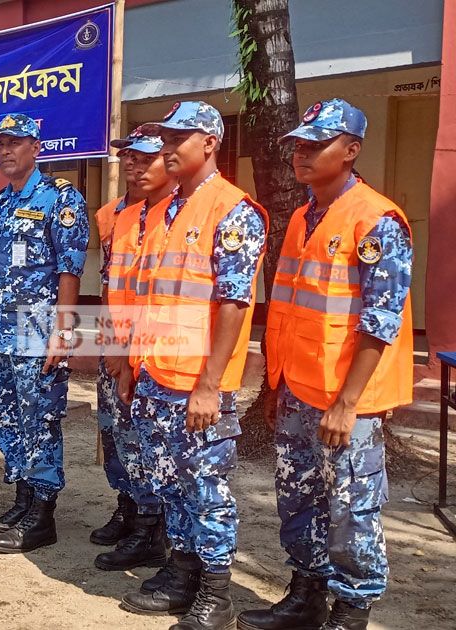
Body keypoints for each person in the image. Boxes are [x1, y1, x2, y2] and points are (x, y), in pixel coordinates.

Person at [238, 99, 412, 630]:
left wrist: (348, 403)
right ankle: (306, 594)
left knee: (350, 507)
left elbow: (379, 323)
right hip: (296, 389)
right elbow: (290, 311)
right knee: (297, 496)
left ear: (352, 150)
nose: (303, 153)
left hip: (346, 400)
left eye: (318, 144)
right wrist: (276, 388)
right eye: (300, 144)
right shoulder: (300, 218)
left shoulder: (377, 220)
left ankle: (350, 610)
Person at [118, 101, 268, 630]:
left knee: (206, 487)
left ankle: (215, 591)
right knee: (173, 482)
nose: (168, 148)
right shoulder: (166, 210)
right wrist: (134, 364)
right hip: (158, 373)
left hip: (199, 385)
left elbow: (234, 302)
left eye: (179, 138)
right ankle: (181, 572)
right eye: (166, 138)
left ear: (209, 142)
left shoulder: (233, 210)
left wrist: (209, 384)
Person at [0, 113, 89, 554]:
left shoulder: (61, 199)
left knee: (39, 421)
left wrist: (63, 332)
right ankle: (22, 499)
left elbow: (69, 269)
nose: (5, 150)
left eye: (14, 142)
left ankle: (42, 515)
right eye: (0, 143)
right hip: (0, 332)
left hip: (37, 332)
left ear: (36, 147)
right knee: (6, 421)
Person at [94, 131, 176, 573]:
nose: (133, 165)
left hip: (156, 348)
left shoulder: (175, 213)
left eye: (146, 158)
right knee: (115, 432)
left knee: (145, 439)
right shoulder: (115, 215)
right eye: (128, 157)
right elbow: (112, 285)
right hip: (116, 340)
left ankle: (150, 524)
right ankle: (128, 506)